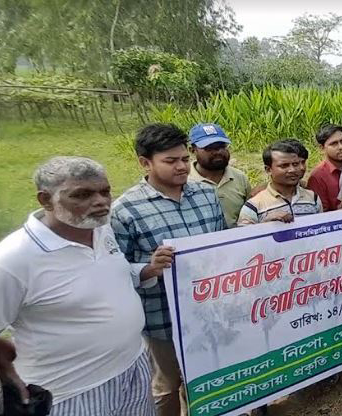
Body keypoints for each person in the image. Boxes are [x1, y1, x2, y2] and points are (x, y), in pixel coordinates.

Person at [0, 156, 152, 415]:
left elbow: (106, 281)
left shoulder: (102, 230)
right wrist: (7, 372)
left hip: (133, 369)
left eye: (105, 191)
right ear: (46, 200)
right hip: (70, 391)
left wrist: (148, 270)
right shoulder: (13, 259)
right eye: (82, 195)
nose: (101, 201)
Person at [111, 124, 226, 416]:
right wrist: (150, 268)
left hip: (209, 309)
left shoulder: (206, 195)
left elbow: (223, 242)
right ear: (145, 162)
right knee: (166, 384)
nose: (182, 167)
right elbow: (114, 272)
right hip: (161, 317)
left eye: (185, 159)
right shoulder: (125, 210)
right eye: (170, 161)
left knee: (207, 374)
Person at [237, 139, 322, 226]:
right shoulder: (253, 206)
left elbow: (322, 229)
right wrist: (265, 225)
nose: (292, 170)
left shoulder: (313, 198)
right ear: (268, 170)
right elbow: (244, 234)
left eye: (295, 164)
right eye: (284, 166)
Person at [187, 123, 251, 228]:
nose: (218, 152)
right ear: (192, 150)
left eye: (222, 146)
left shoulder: (240, 177)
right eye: (209, 148)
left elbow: (249, 213)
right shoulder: (184, 180)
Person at [307, 124, 342, 212]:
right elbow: (320, 213)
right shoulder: (317, 177)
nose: (341, 147)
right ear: (322, 148)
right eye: (334, 144)